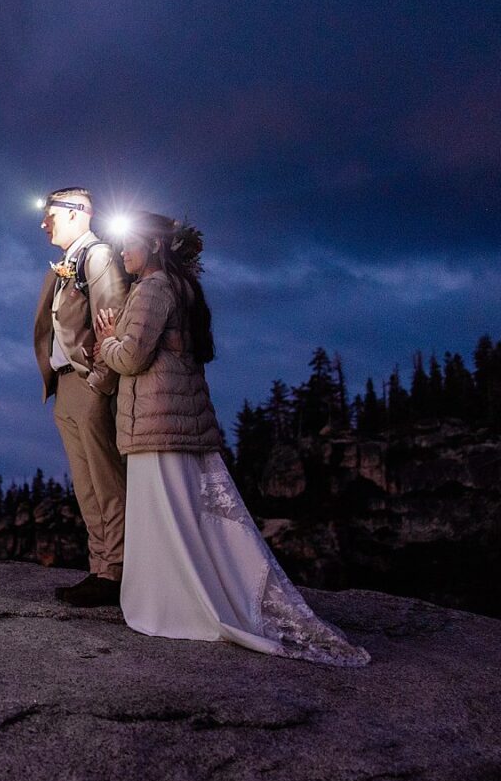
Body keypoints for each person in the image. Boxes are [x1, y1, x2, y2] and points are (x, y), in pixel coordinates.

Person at [84, 210, 369, 667]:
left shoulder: (154, 288)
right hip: (179, 420)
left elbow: (133, 357)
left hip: (159, 421)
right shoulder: (184, 289)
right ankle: (195, 596)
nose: (123, 253)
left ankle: (176, 607)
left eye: (130, 244)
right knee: (184, 518)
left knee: (165, 517)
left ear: (155, 246)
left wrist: (107, 342)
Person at [31, 187, 131, 605]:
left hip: (88, 384)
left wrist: (100, 383)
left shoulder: (98, 258)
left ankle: (117, 572)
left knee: (106, 482)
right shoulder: (64, 266)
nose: (44, 222)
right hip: (64, 385)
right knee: (85, 485)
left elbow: (113, 322)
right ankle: (99, 567)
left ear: (77, 213)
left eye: (50, 213)